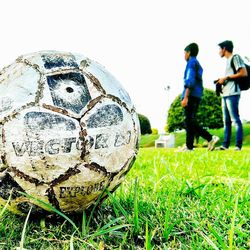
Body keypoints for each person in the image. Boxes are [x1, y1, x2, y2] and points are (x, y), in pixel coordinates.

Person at [178, 42, 219, 152]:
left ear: (189, 52)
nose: (184, 55)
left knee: (189, 121)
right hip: (197, 95)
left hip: (190, 95)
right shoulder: (197, 63)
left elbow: (189, 80)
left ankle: (210, 138)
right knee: (190, 121)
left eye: (184, 53)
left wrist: (185, 96)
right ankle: (189, 146)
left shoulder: (191, 63)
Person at [215, 40, 247, 151]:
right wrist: (221, 81)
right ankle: (225, 145)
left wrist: (226, 78)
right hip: (226, 93)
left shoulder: (235, 57)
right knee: (226, 121)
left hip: (233, 93)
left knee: (235, 119)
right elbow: (231, 77)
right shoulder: (228, 61)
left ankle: (238, 146)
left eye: (219, 49)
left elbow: (243, 73)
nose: (219, 51)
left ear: (224, 48)